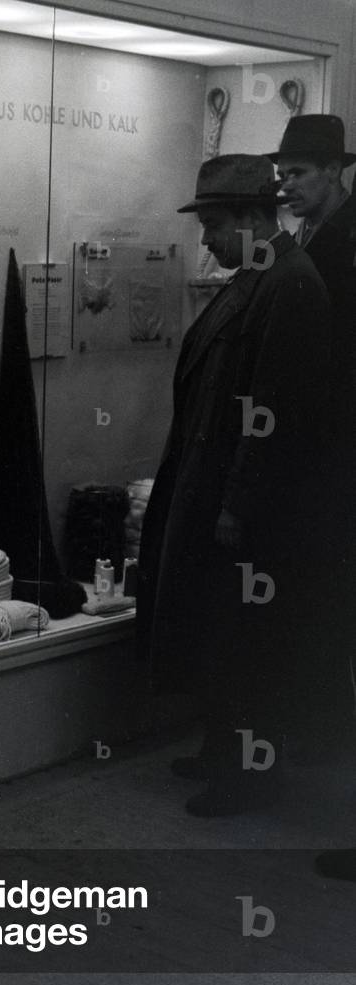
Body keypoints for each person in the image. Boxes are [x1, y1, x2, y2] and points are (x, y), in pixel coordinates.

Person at [137, 154, 335, 817]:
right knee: (223, 633)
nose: (206, 240)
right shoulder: (255, 276)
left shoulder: (288, 283)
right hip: (216, 486)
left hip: (248, 503)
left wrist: (236, 504)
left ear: (254, 217)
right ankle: (223, 748)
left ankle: (251, 773)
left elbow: (277, 410)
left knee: (249, 644)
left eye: (215, 224)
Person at [266, 114, 356, 764]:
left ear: (334, 170)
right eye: (280, 175)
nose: (285, 186)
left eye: (296, 174)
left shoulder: (343, 241)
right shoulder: (311, 234)